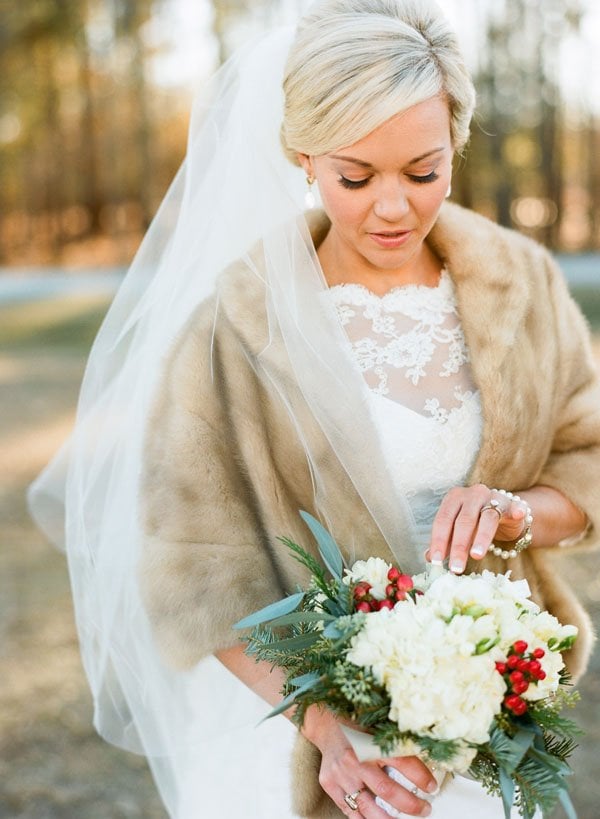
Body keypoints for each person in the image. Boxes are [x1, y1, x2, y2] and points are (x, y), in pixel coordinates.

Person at [29, 1, 600, 818]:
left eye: (424, 170)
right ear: (303, 158)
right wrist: (325, 723)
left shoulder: (522, 281)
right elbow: (190, 563)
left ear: (456, 144)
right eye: (356, 177)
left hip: (485, 712)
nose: (393, 207)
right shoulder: (236, 322)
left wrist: (513, 514)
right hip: (297, 728)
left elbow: (587, 457)